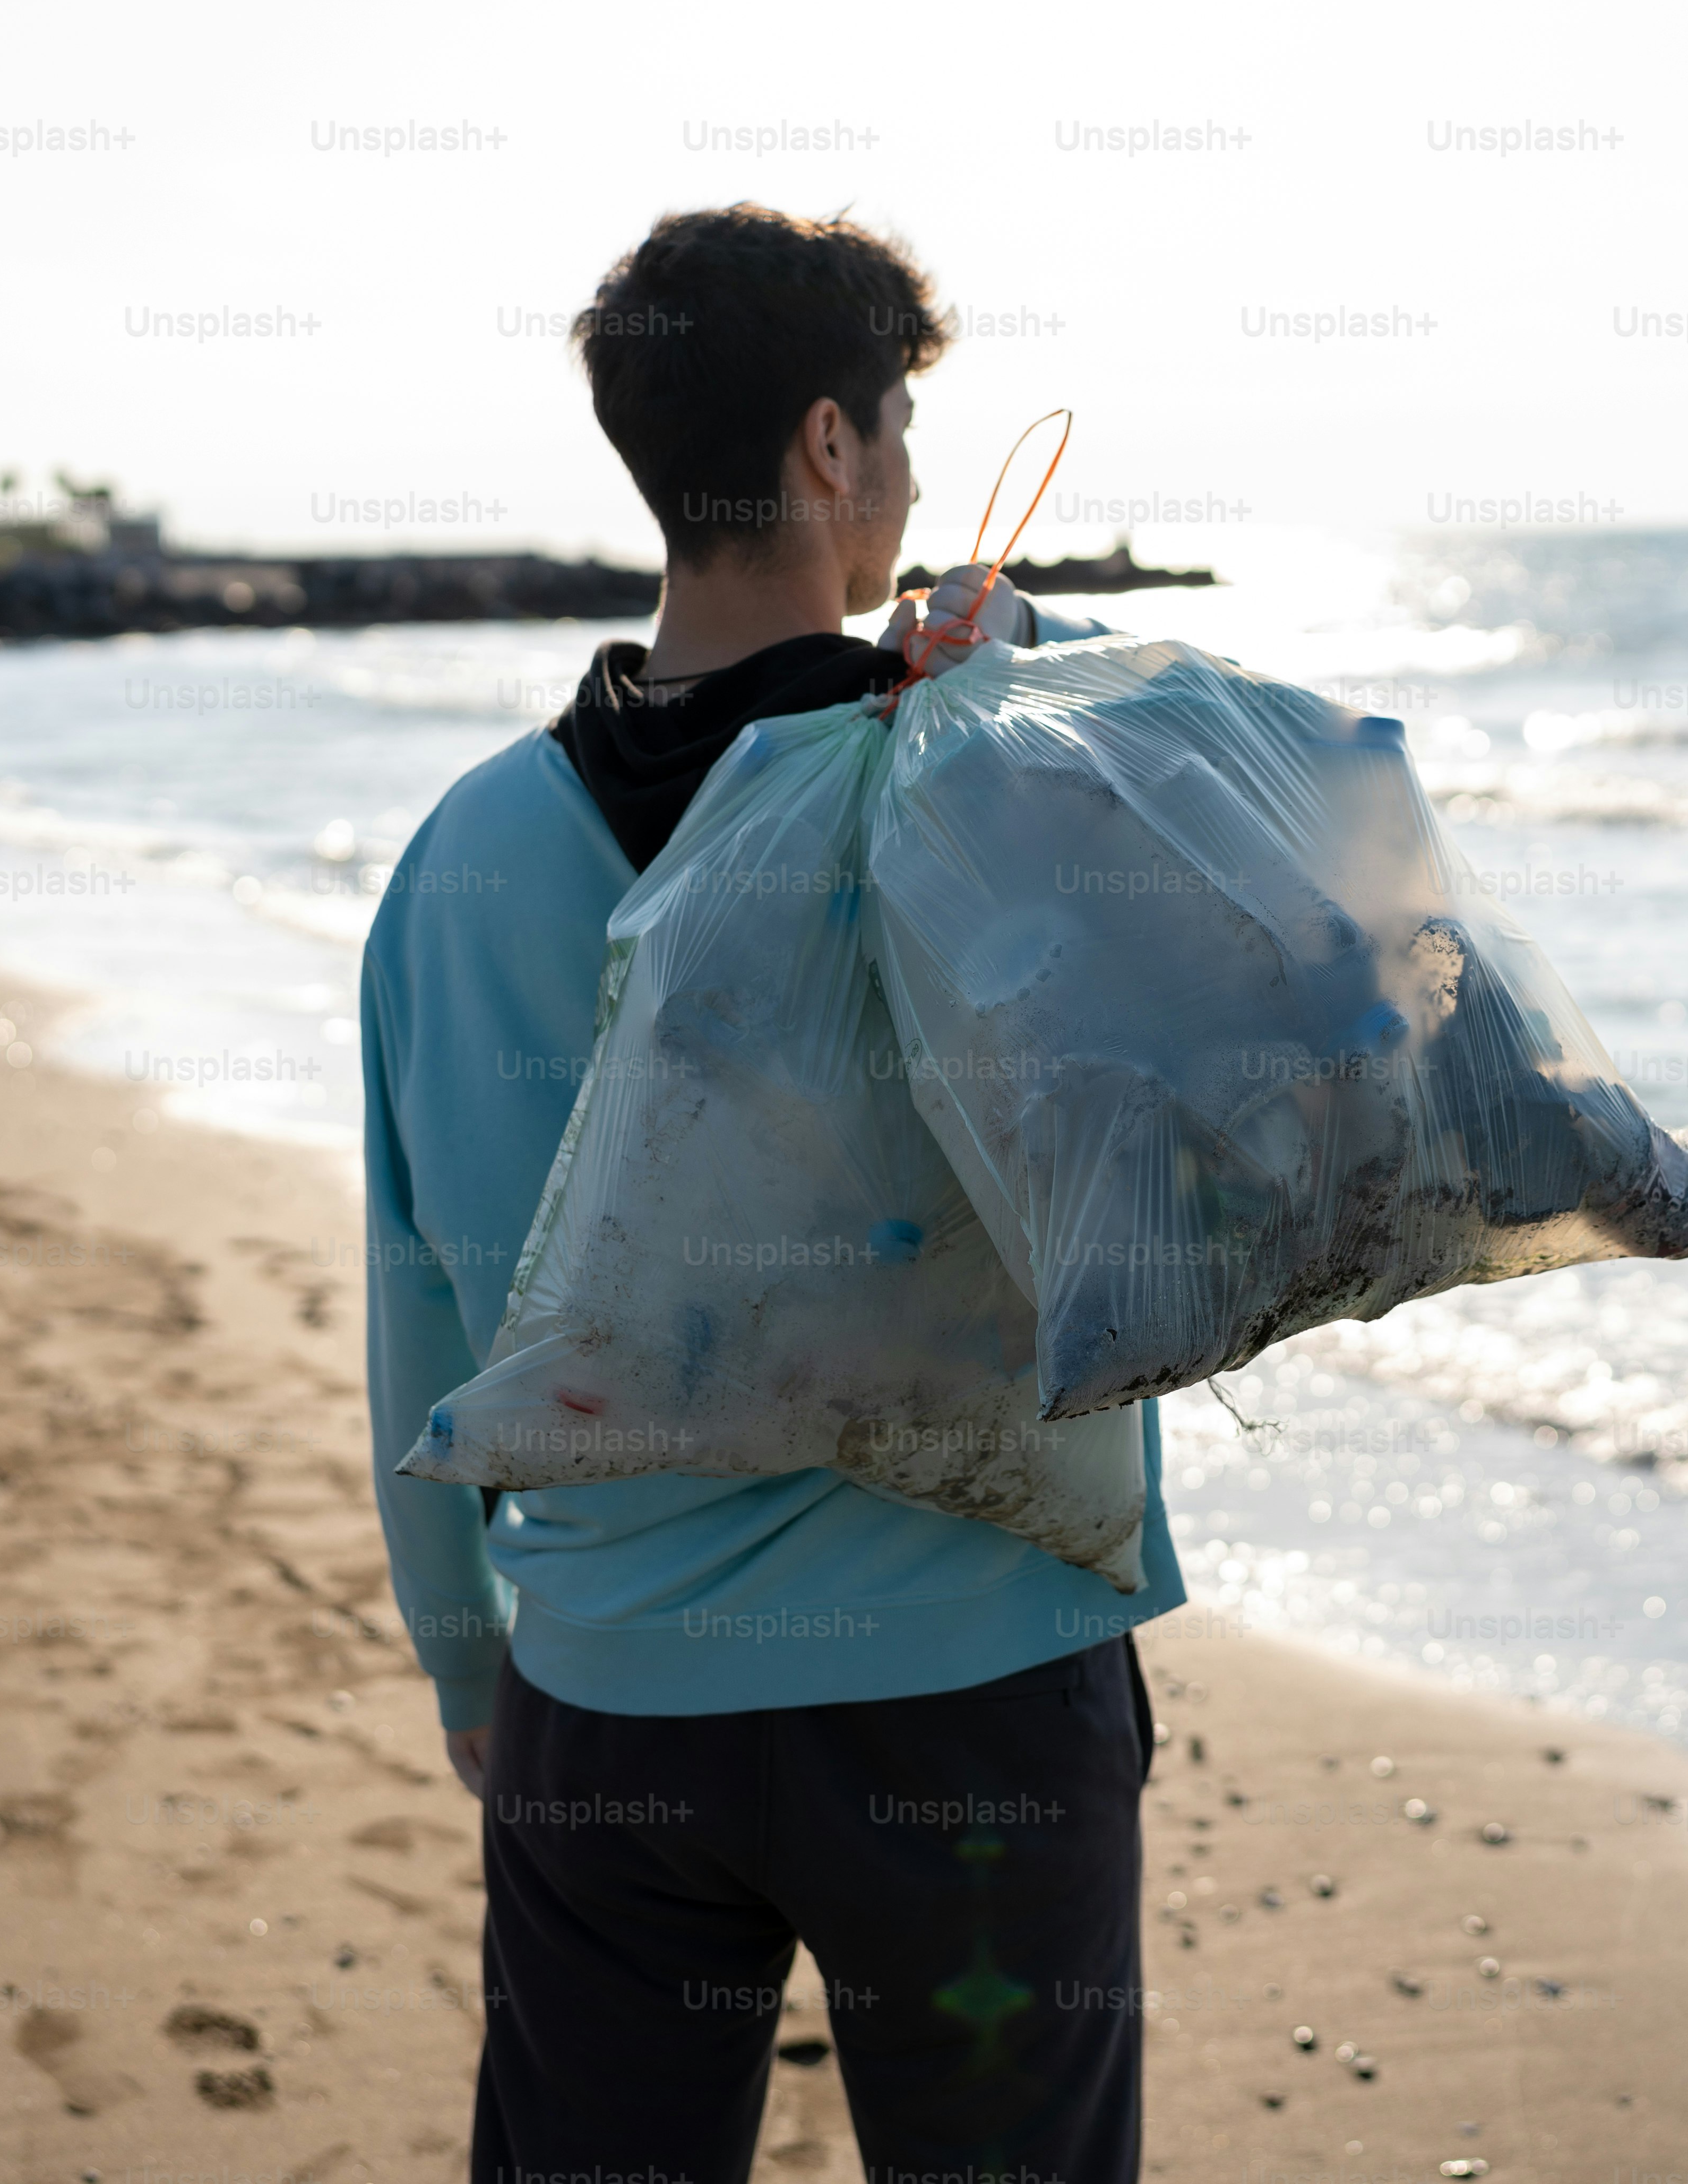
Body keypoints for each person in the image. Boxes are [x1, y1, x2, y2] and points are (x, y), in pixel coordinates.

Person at [360, 204, 1183, 2183]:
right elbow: (1187, 1116)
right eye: (896, 432)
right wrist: (1038, 678)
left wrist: (476, 1671)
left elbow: (424, 1302)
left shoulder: (460, 857)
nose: (903, 476)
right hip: (973, 1696)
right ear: (831, 447)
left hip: (607, 1699)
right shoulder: (986, 787)